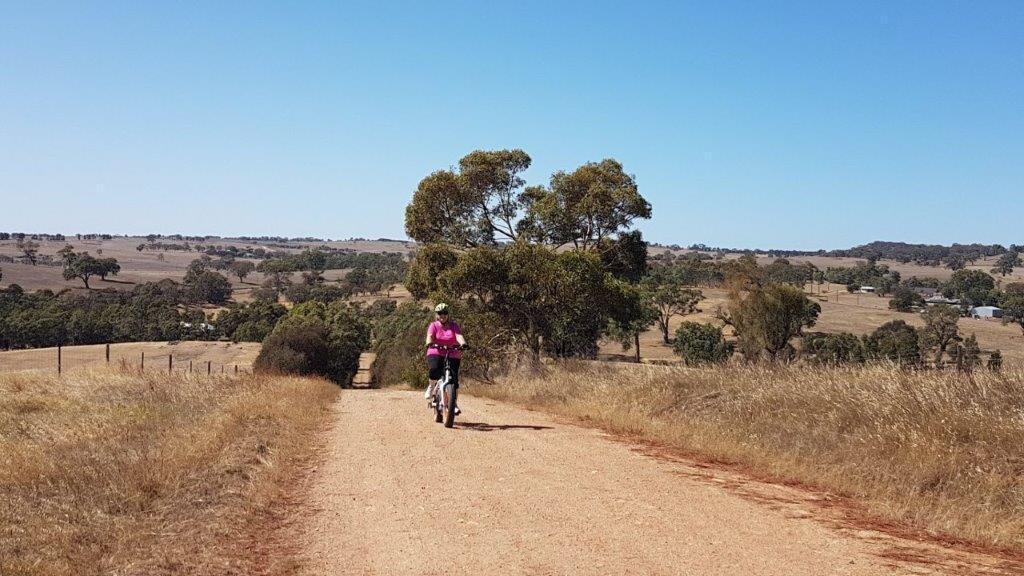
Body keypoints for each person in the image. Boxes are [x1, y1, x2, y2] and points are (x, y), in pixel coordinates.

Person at [424, 302, 467, 413]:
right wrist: (429, 342)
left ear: (448, 314)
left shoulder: (454, 325)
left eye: (445, 313)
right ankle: (432, 386)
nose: (442, 315)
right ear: (437, 315)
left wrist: (463, 343)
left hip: (452, 353)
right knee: (434, 369)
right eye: (440, 313)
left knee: (455, 381)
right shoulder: (433, 325)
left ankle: (453, 403)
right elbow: (429, 336)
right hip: (436, 351)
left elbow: (459, 336)